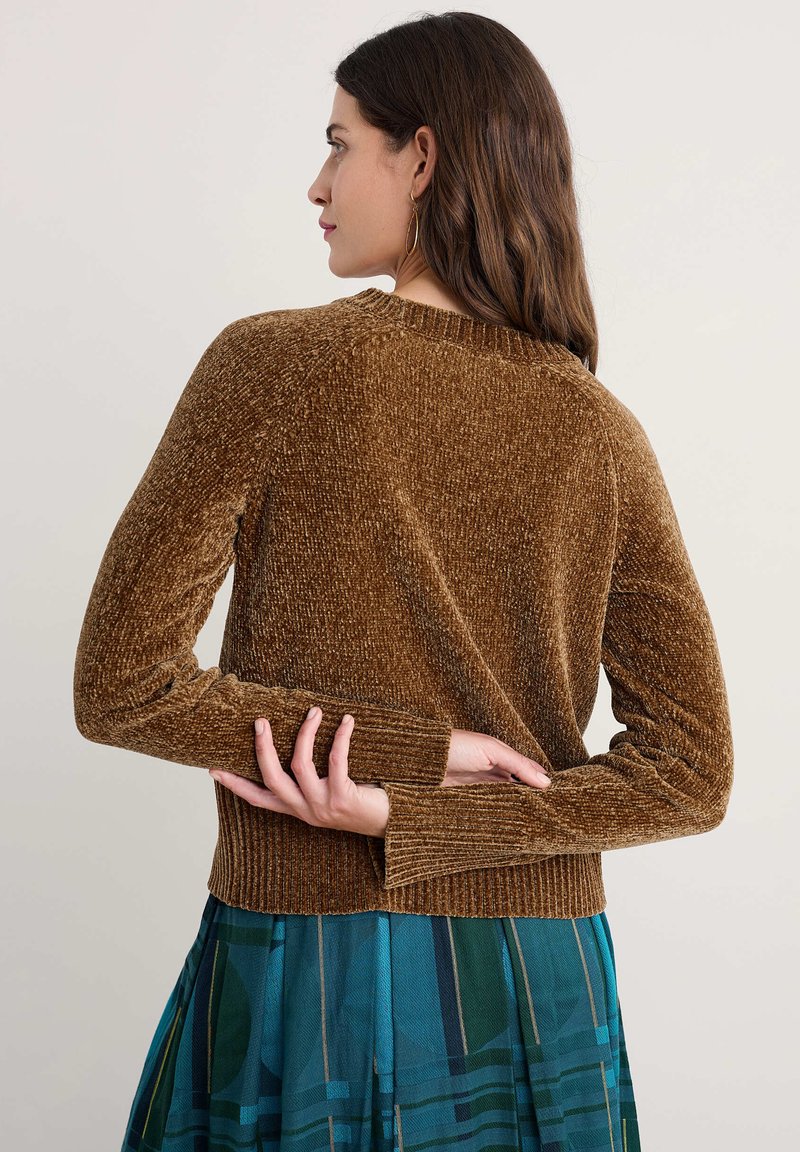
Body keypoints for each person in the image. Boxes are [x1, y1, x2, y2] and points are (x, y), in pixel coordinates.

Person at [73, 11, 734, 1152]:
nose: (317, 182)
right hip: (540, 976)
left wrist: (398, 800)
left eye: (340, 144)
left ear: (420, 157)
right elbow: (692, 774)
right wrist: (419, 760)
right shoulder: (598, 428)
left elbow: (120, 685)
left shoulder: (271, 365)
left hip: (311, 956)